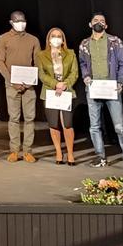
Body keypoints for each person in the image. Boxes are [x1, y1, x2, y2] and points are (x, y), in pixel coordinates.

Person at [79, 12, 123, 170]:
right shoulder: (84, 44)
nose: (99, 23)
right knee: (95, 126)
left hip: (111, 88)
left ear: (106, 25)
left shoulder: (114, 42)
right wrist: (86, 76)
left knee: (119, 126)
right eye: (95, 21)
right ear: (90, 24)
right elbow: (83, 63)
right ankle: (100, 156)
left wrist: (120, 81)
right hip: (93, 88)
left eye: (102, 21)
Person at [0, 10, 41, 163]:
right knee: (13, 118)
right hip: (11, 85)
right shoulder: (3, 39)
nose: (21, 23)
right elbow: (0, 62)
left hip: (29, 85)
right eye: (17, 20)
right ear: (11, 22)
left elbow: (38, 62)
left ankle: (27, 151)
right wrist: (11, 80)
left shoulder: (33, 40)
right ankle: (14, 150)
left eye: (23, 20)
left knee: (29, 118)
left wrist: (30, 81)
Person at [38, 26, 79, 165]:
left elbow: (75, 73)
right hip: (50, 92)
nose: (56, 38)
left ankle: (71, 154)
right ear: (49, 40)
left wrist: (65, 84)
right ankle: (58, 152)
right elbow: (41, 74)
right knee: (53, 124)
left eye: (59, 36)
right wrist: (55, 84)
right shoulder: (41, 55)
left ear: (63, 40)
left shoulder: (71, 54)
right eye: (53, 36)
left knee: (67, 124)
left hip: (66, 91)